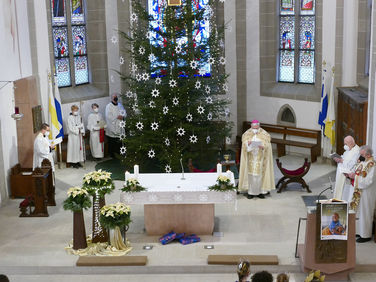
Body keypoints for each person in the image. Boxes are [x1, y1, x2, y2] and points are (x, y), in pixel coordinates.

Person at [238, 120, 275, 199]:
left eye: (256, 128)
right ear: (251, 126)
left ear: (259, 126)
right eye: (253, 128)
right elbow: (244, 142)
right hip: (250, 158)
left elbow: (268, 143)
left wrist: (263, 146)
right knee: (251, 175)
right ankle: (250, 192)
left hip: (260, 158)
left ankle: (261, 192)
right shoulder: (247, 133)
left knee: (260, 175)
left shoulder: (264, 134)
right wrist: (247, 143)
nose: (255, 130)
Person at [347, 145, 376, 243]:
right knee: (358, 211)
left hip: (366, 193)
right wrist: (351, 174)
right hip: (358, 192)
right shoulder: (363, 162)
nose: (361, 156)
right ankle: (358, 231)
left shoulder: (372, 165)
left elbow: (369, 181)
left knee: (365, 213)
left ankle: (366, 235)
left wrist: (355, 177)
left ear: (368, 155)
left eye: (362, 154)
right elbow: (357, 172)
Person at [333, 136, 360, 201]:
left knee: (345, 192)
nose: (345, 146)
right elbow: (344, 157)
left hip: (348, 176)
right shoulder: (349, 149)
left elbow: (351, 165)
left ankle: (343, 202)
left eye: (346, 144)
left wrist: (341, 161)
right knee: (340, 190)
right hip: (343, 172)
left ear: (351, 143)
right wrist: (339, 158)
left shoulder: (357, 151)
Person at [105, 93, 126, 157]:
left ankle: (120, 152)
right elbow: (108, 116)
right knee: (112, 141)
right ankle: (112, 154)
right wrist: (117, 117)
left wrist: (123, 116)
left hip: (120, 125)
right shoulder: (109, 106)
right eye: (114, 97)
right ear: (112, 98)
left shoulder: (120, 105)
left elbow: (124, 112)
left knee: (119, 141)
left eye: (116, 97)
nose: (115, 98)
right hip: (112, 126)